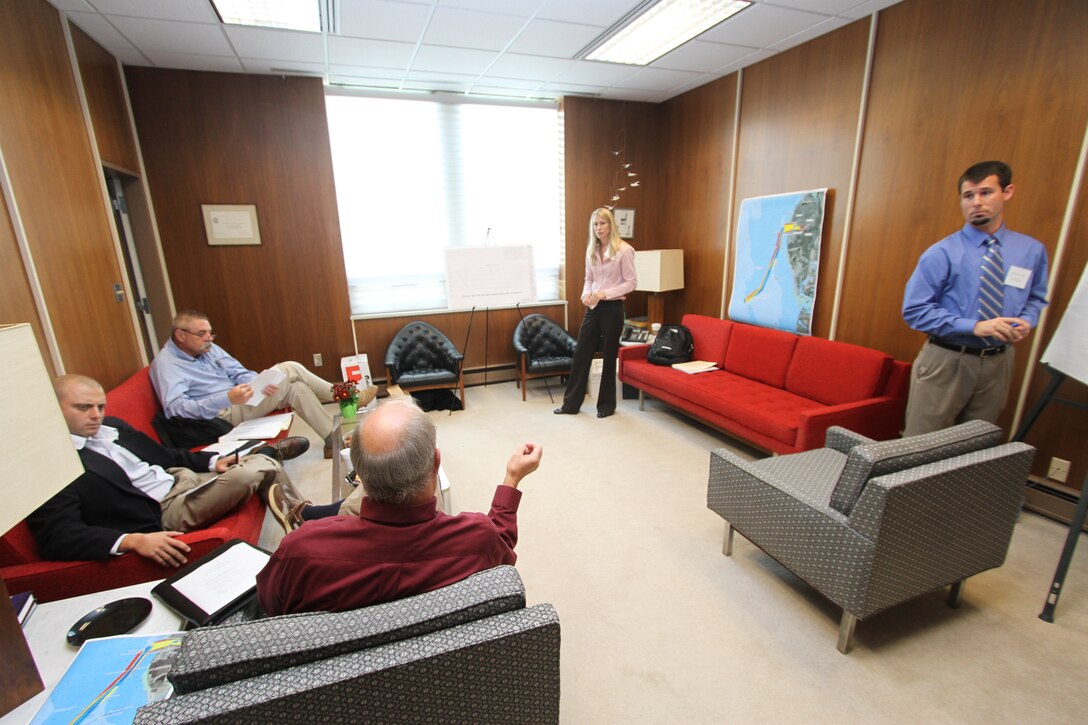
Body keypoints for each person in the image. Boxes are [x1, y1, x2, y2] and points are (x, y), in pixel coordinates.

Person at [256, 398, 543, 615]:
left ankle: (307, 512)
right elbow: (502, 546)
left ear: (360, 475)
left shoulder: (301, 552)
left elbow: (271, 605)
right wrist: (512, 478)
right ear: (437, 463)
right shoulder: (476, 539)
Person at [27, 375, 309, 566]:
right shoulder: (54, 464)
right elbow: (58, 536)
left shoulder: (110, 427)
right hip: (165, 510)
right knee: (247, 474)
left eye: (100, 406)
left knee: (244, 469)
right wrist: (132, 540)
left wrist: (211, 463)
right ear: (53, 408)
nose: (96, 415)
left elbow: (162, 454)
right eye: (83, 407)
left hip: (179, 478)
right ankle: (290, 493)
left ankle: (267, 464)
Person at [901, 160, 1049, 436]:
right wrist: (973, 326)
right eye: (968, 196)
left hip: (998, 361)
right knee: (921, 443)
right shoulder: (942, 253)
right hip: (947, 360)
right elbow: (915, 310)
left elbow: (1037, 298)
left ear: (1007, 192)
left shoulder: (1030, 251)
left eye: (985, 192)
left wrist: (1026, 320)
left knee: (975, 442)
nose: (976, 202)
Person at [150, 310, 374, 457]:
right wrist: (226, 398)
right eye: (202, 333)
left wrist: (257, 383)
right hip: (219, 415)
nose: (209, 338)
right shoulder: (167, 365)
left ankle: (332, 441)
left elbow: (239, 372)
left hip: (241, 398)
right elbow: (176, 409)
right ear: (180, 335)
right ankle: (345, 394)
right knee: (290, 367)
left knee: (296, 387)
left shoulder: (207, 348)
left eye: (210, 333)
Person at [554, 207, 637, 418]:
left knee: (609, 356)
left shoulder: (624, 250)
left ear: (611, 225)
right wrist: (586, 294)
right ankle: (570, 404)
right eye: (595, 224)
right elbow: (588, 278)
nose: (598, 228)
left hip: (612, 308)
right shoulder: (592, 250)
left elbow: (631, 283)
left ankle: (607, 406)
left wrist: (604, 293)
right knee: (582, 352)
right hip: (593, 308)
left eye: (602, 223)